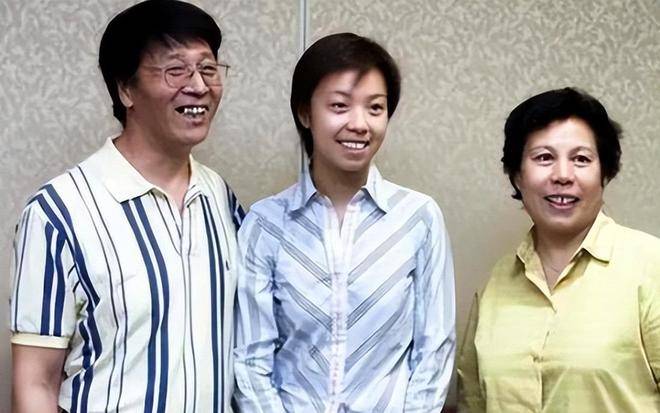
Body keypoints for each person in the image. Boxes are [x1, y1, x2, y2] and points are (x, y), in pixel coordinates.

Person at [9, 1, 244, 412]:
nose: (198, 86)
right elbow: (35, 382)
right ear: (126, 89)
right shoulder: (57, 213)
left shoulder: (220, 197)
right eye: (176, 70)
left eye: (208, 69)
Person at [233, 32, 456, 412]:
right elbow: (251, 359)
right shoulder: (266, 224)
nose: (360, 124)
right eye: (339, 106)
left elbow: (434, 350)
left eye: (375, 108)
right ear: (305, 113)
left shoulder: (418, 217)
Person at [457, 87, 660, 412]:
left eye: (581, 159)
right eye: (544, 158)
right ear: (517, 175)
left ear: (604, 173)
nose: (563, 175)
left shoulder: (650, 267)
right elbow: (472, 402)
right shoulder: (497, 283)